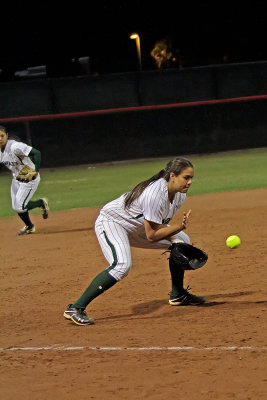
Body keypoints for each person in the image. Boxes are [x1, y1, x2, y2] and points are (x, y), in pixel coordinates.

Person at [64, 157, 205, 326]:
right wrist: (178, 227)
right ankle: (76, 307)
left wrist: (177, 235)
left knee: (182, 241)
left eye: (191, 178)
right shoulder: (154, 195)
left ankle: (178, 294)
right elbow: (152, 235)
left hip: (137, 228)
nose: (190, 182)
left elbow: (156, 227)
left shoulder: (179, 195)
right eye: (186, 177)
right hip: (113, 223)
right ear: (172, 176)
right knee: (121, 265)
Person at [0, 125, 49, 235]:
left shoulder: (15, 147)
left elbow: (36, 153)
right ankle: (30, 226)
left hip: (29, 173)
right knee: (16, 206)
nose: (0, 138)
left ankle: (39, 204)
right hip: (16, 176)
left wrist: (36, 170)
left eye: (2, 135)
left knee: (19, 206)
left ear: (7, 136)